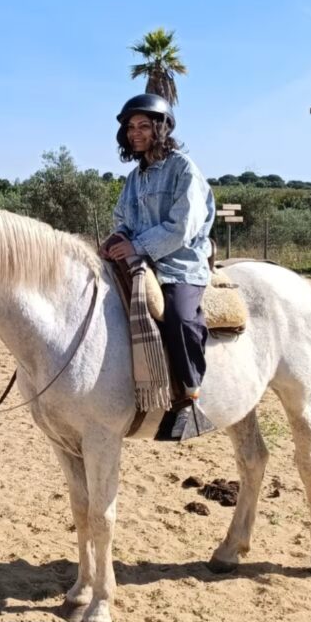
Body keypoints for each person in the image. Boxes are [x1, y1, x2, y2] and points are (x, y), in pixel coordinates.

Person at [101, 93, 216, 440]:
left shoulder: (183, 168)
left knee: (180, 316)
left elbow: (183, 226)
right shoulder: (135, 178)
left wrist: (136, 245)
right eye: (130, 127)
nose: (135, 133)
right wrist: (116, 238)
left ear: (161, 128)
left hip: (179, 263)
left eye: (143, 126)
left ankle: (189, 400)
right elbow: (123, 218)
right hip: (140, 260)